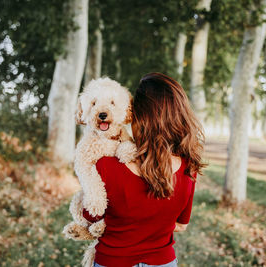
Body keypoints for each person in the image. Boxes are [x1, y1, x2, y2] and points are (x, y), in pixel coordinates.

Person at [83, 72, 205, 267]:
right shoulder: (189, 167)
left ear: (138, 117)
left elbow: (90, 217)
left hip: (113, 261)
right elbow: (181, 225)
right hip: (163, 262)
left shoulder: (105, 166)